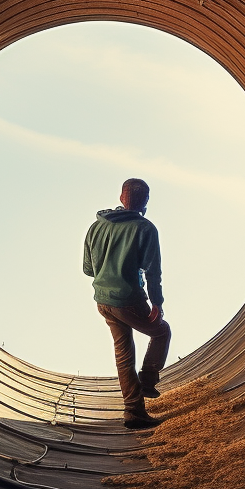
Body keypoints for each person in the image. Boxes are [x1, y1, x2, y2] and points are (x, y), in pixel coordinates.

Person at [83, 178, 171, 429]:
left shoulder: (95, 227)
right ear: (145, 201)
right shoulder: (145, 228)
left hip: (103, 301)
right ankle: (147, 381)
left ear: (121, 198)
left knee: (123, 352)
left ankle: (134, 411)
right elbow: (154, 271)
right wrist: (157, 302)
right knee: (161, 331)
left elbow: (88, 269)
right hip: (128, 299)